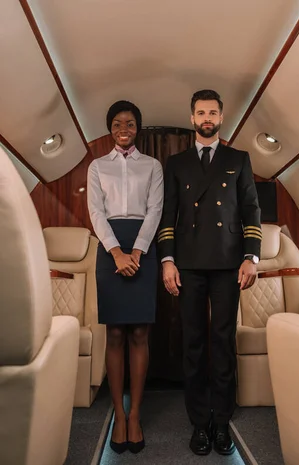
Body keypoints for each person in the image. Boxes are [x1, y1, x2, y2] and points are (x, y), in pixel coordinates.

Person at [158, 89, 261, 456]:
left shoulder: (239, 158)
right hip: (187, 262)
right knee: (193, 342)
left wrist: (252, 256)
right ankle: (199, 422)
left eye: (212, 112)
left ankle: (222, 422)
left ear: (221, 117)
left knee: (222, 341)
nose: (206, 118)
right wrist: (167, 260)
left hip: (228, 260)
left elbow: (251, 209)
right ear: (192, 118)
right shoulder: (177, 163)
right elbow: (168, 214)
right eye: (200, 112)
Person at [87, 101, 163, 454]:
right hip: (109, 249)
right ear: (110, 128)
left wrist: (138, 251)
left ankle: (135, 414)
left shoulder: (153, 166)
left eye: (130, 123)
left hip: (143, 250)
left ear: (138, 128)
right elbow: (96, 212)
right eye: (117, 123)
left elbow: (155, 210)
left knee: (140, 333)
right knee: (115, 332)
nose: (123, 128)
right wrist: (117, 252)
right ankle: (119, 413)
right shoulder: (96, 166)